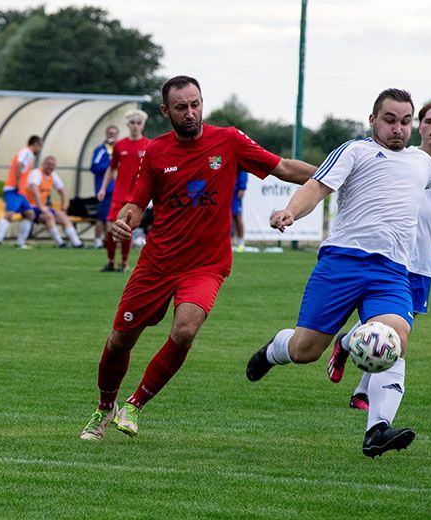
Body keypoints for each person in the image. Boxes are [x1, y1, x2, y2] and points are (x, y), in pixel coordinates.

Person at [245, 88, 431, 458]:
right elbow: (317, 186)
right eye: (390, 120)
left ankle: (377, 429)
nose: (398, 128)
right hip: (341, 264)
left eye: (404, 121)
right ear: (372, 120)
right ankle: (273, 351)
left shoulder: (420, 162)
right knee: (305, 350)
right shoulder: (356, 151)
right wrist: (291, 211)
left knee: (394, 339)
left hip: (391, 271)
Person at [80, 75, 317, 441]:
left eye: (195, 105)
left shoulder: (229, 140)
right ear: (165, 111)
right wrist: (122, 224)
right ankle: (103, 407)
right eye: (181, 108)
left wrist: (335, 176)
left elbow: (283, 168)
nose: (190, 113)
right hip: (157, 263)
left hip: (206, 265)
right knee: (118, 341)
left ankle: (134, 405)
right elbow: (135, 204)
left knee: (185, 330)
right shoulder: (155, 152)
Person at [328, 100, 431, 412]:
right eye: (429, 121)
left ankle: (346, 344)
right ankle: (363, 395)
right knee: (389, 330)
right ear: (418, 126)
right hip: (388, 257)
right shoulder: (402, 158)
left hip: (422, 261)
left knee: (394, 334)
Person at [97, 110, 151, 272]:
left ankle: (124, 263)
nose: (135, 126)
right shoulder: (120, 145)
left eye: (138, 123)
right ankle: (111, 261)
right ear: (128, 125)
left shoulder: (149, 145)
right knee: (111, 228)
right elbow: (110, 169)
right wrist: (102, 188)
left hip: (135, 197)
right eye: (132, 123)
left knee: (127, 229)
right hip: (118, 194)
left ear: (143, 125)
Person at [26, 156, 84, 249]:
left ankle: (77, 243)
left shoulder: (53, 175)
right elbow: (34, 190)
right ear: (43, 164)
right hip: (30, 206)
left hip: (43, 207)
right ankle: (60, 243)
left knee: (63, 217)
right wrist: (42, 207)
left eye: (53, 165)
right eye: (48, 164)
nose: (51, 167)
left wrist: (64, 207)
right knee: (49, 216)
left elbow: (63, 192)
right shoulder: (36, 173)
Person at [0, 135, 40, 249]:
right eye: (39, 146)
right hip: (15, 189)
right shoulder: (27, 152)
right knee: (9, 214)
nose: (39, 149)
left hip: (20, 191)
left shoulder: (26, 153)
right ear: (35, 144)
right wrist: (18, 183)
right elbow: (19, 165)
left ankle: (20, 243)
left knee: (30, 214)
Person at [91, 125, 118, 249]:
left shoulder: (119, 149)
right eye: (110, 133)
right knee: (102, 217)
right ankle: (97, 241)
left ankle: (110, 242)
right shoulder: (101, 150)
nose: (112, 135)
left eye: (114, 133)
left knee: (114, 217)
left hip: (118, 189)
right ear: (106, 134)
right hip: (105, 189)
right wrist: (110, 161)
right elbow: (94, 167)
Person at [232, 170, 257, 252]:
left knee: (237, 217)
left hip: (235, 192)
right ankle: (226, 243)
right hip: (224, 191)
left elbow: (243, 171)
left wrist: (242, 187)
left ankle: (241, 243)